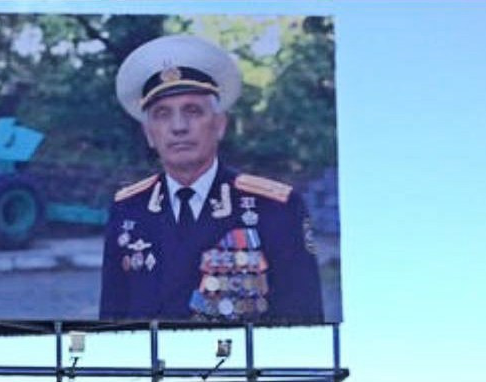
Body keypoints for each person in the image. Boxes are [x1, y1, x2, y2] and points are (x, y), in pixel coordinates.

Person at [99, 33, 324, 324]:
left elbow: (303, 326)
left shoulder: (276, 208)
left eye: (192, 111)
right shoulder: (129, 208)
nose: (178, 127)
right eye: (162, 114)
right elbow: (112, 321)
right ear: (148, 134)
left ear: (219, 125)